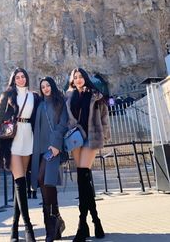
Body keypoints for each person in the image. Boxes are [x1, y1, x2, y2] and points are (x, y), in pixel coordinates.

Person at [0, 67, 40, 242]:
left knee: (22, 183)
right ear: (13, 79)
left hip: (28, 138)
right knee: (19, 182)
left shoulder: (34, 96)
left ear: (26, 78)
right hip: (13, 139)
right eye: (17, 77)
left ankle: (14, 228)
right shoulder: (7, 95)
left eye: (23, 76)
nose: (20, 79)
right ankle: (29, 228)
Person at [66, 68, 110, 241]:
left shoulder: (95, 95)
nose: (78, 80)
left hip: (91, 138)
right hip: (76, 138)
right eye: (75, 77)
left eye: (81, 77)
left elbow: (105, 116)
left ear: (85, 78)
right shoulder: (69, 97)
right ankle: (96, 221)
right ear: (72, 80)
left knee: (84, 174)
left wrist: (104, 134)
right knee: (84, 180)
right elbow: (66, 117)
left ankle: (81, 225)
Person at [31, 77, 67, 242]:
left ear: (52, 86)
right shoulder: (40, 105)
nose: (45, 88)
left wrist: (55, 143)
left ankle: (51, 228)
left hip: (53, 149)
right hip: (40, 150)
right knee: (47, 182)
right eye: (43, 87)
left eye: (48, 85)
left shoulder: (60, 102)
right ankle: (55, 222)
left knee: (43, 179)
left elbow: (63, 124)